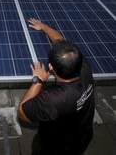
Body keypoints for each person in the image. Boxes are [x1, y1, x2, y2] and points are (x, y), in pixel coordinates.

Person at [18, 18, 95, 155]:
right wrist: (43, 26)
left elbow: (22, 113)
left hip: (56, 147)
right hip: (83, 136)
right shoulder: (84, 68)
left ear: (51, 67)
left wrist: (39, 80)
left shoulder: (54, 99)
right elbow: (60, 40)